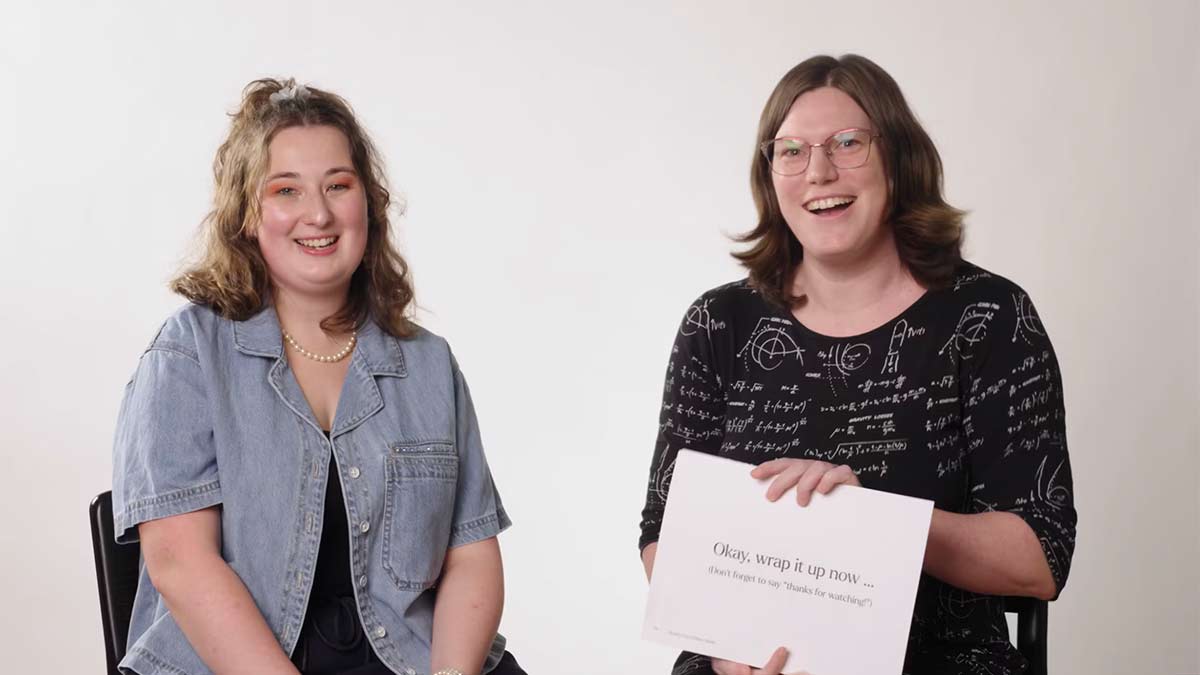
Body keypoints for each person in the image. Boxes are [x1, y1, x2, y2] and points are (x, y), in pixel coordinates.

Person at [638, 54, 1077, 675]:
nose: (818, 171)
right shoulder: (719, 324)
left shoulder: (988, 316)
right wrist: (725, 643)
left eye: (848, 143)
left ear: (899, 159)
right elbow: (664, 530)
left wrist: (870, 525)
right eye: (791, 151)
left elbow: (1039, 559)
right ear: (771, 175)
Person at [112, 79, 525, 675]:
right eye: (286, 190)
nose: (319, 213)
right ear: (248, 214)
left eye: (339, 185)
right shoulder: (189, 353)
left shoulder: (429, 364)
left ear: (368, 202)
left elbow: (472, 555)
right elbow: (179, 560)